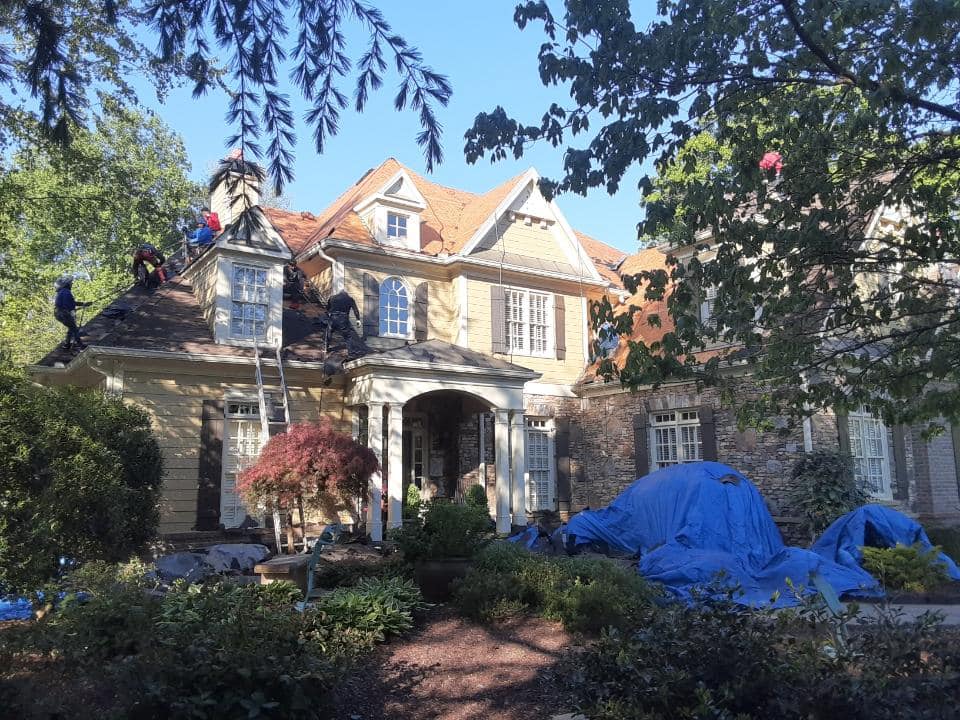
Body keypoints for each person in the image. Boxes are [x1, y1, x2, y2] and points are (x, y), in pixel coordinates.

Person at [53, 276, 91, 351]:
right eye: (70, 283)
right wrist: (72, 310)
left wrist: (83, 304)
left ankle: (67, 344)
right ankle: (81, 346)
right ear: (66, 284)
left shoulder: (62, 292)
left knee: (71, 327)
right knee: (74, 329)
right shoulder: (66, 291)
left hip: (59, 313)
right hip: (63, 313)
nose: (71, 284)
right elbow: (68, 304)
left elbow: (71, 302)